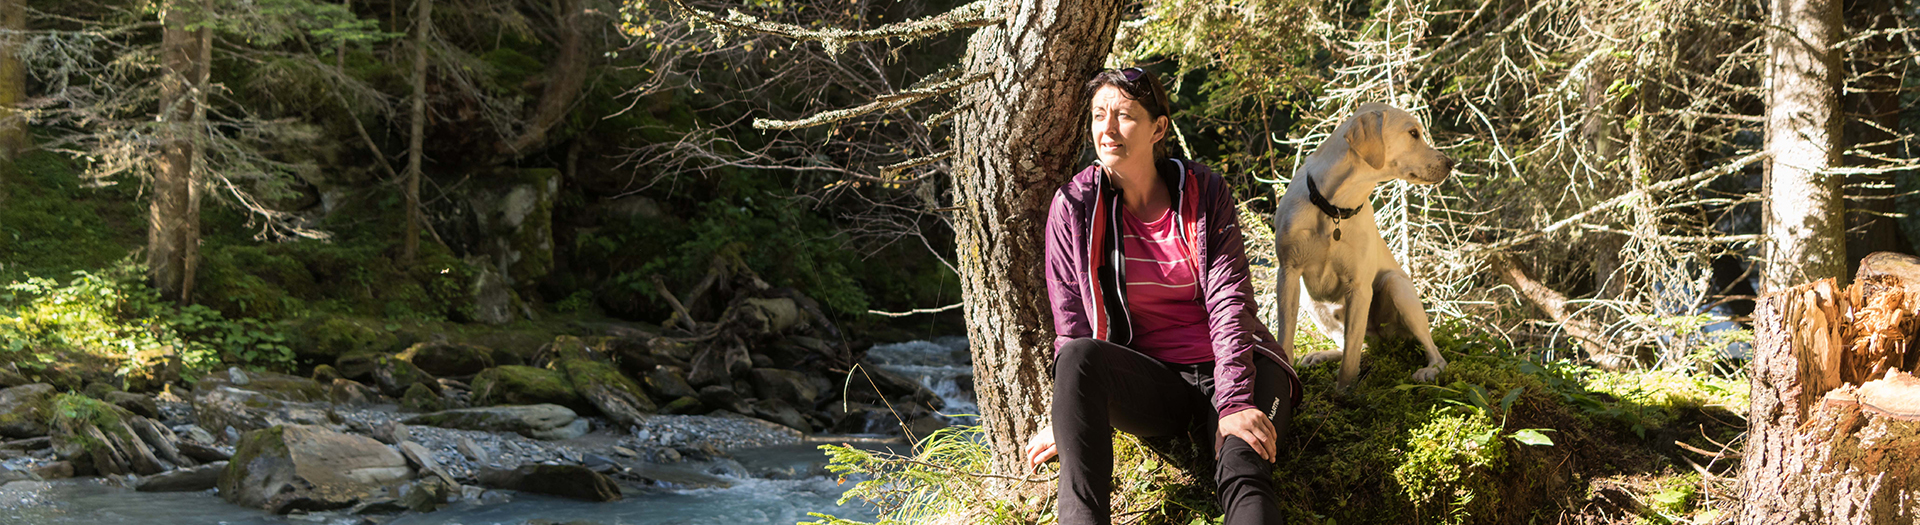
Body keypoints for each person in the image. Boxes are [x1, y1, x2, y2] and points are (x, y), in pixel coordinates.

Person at [1026, 67, 1303, 525]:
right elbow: (1072, 326)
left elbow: (1230, 302)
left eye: (1124, 116)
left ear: (1158, 128)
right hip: (1157, 382)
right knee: (1076, 358)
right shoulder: (1075, 205)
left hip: (1237, 367)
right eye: (1098, 115)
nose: (1107, 129)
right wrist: (1072, 412)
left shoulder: (1204, 191)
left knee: (1242, 469)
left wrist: (1234, 402)